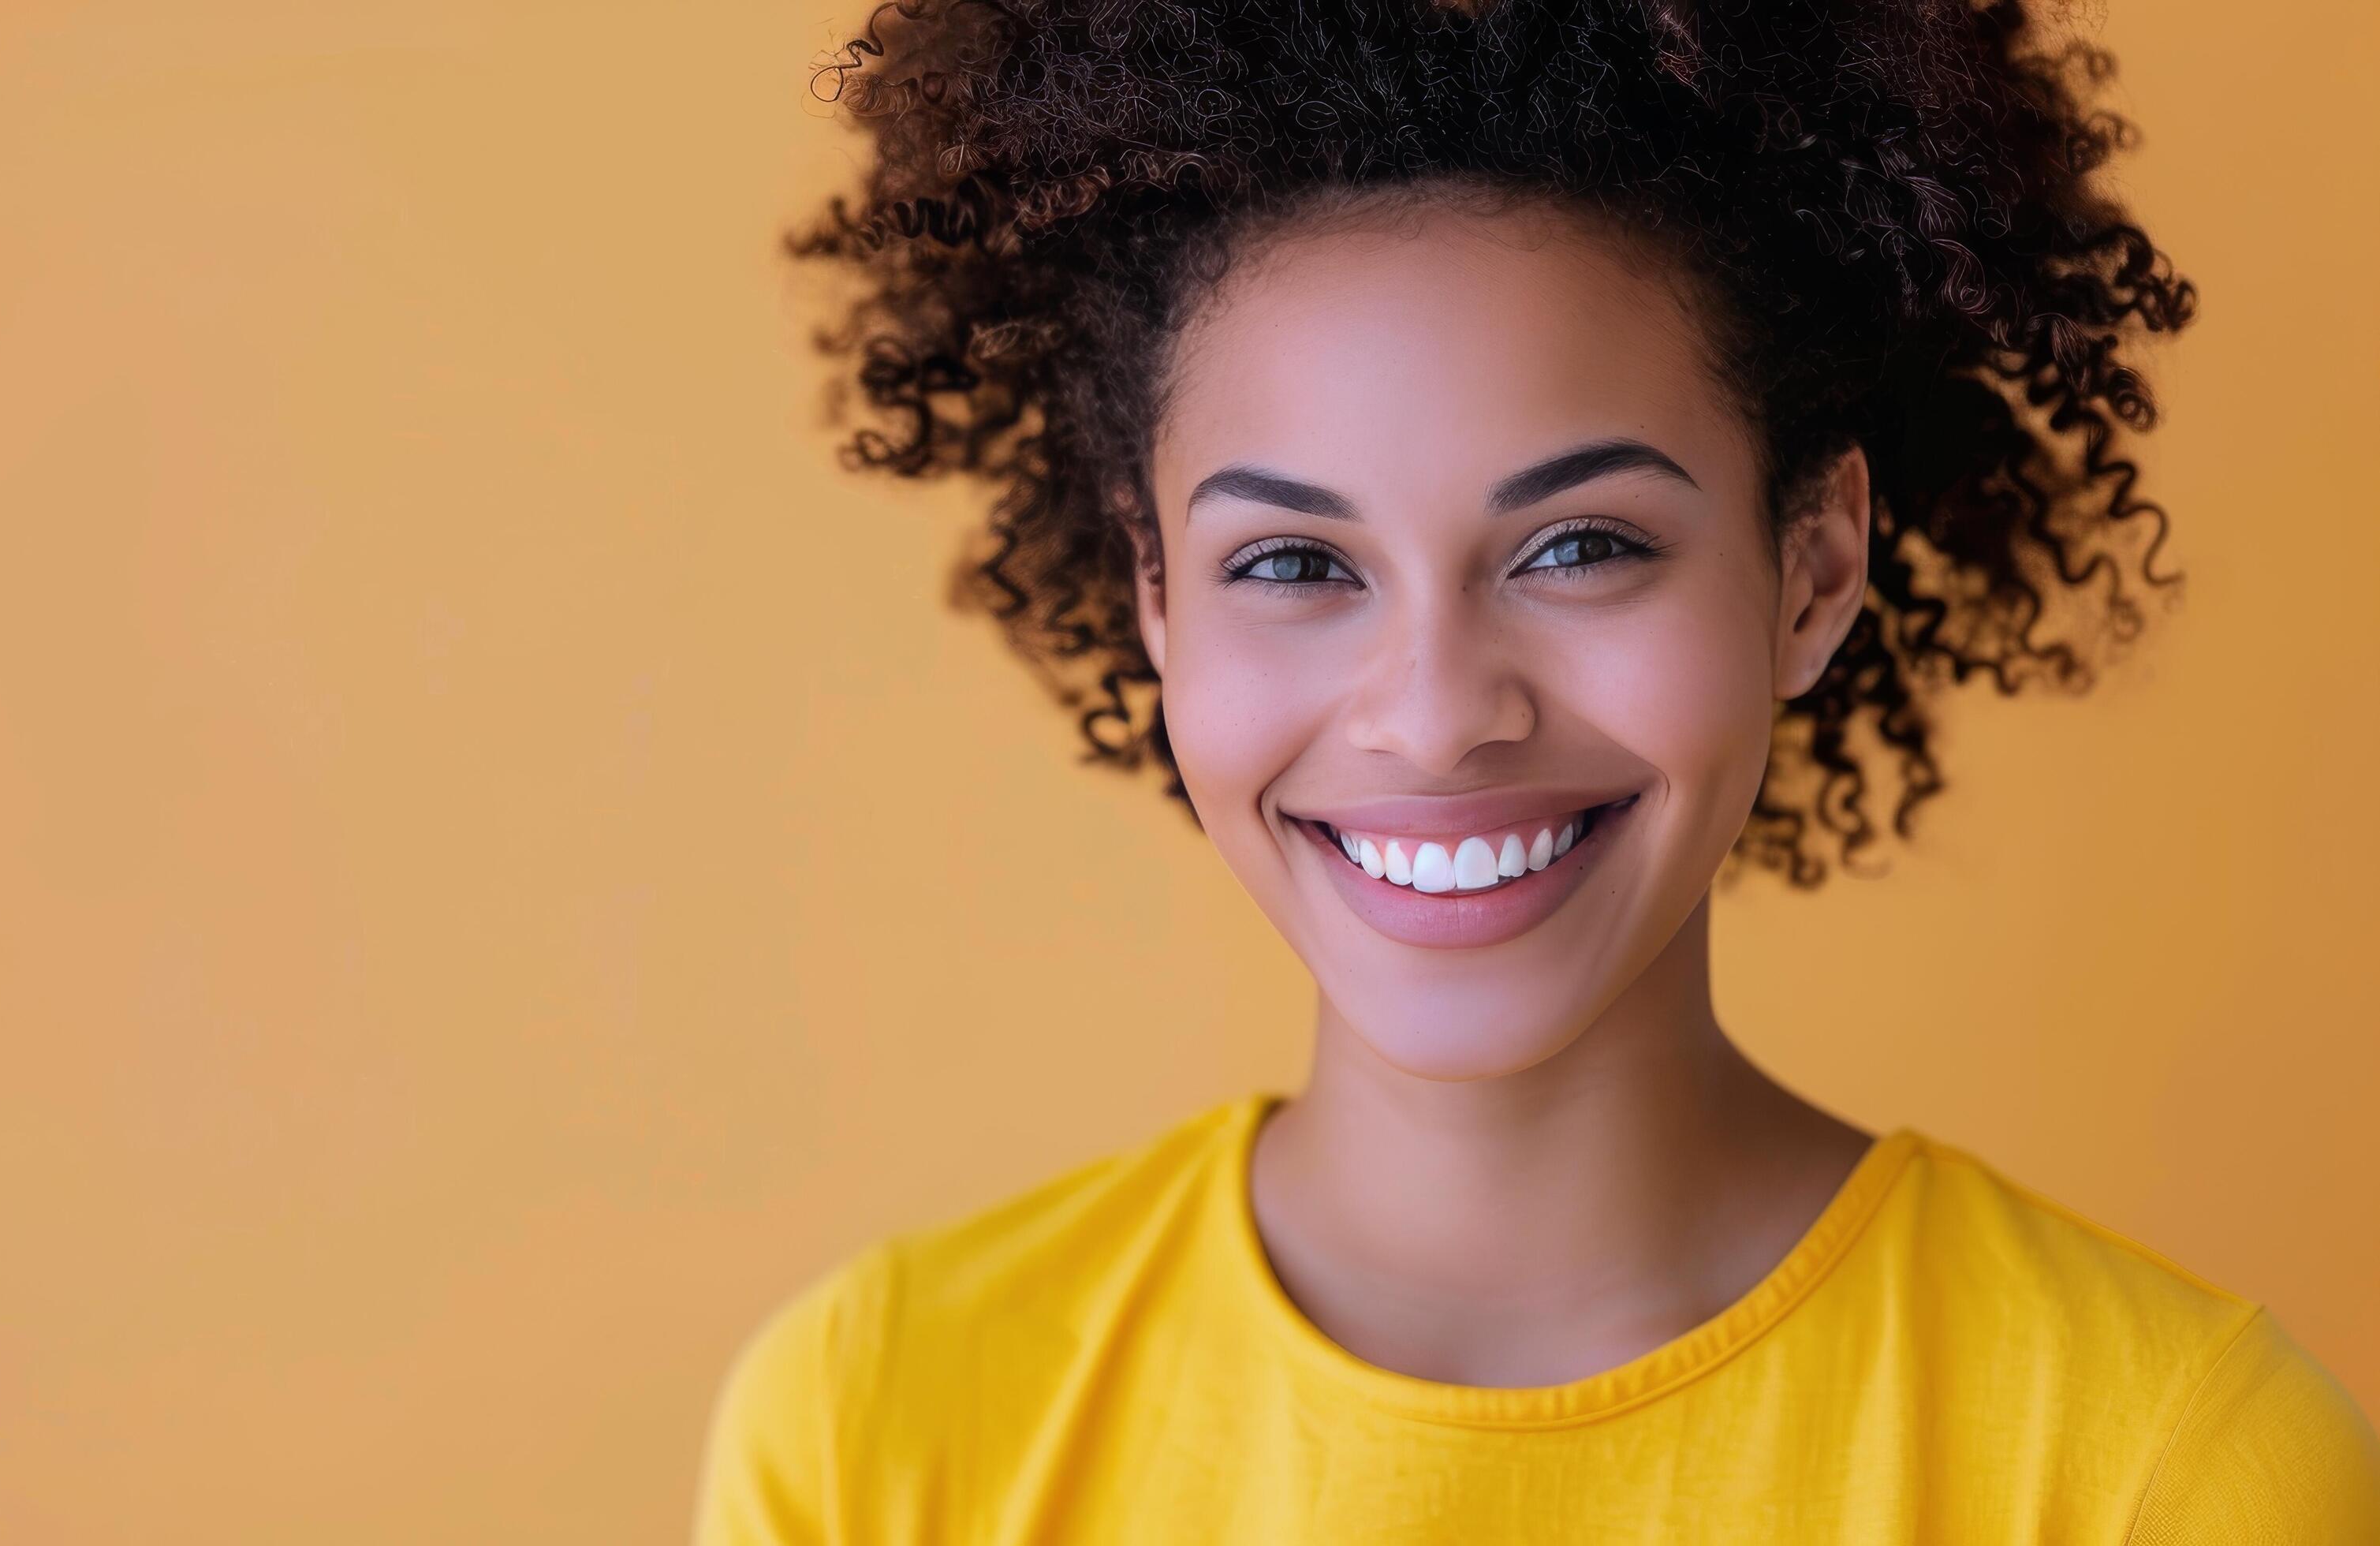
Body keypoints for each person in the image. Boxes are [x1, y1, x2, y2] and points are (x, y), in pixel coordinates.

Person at [696, 0, 2380, 1539]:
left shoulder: (2165, 1464)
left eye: (1578, 545)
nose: (1434, 715)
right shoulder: (876, 1427)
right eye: (1292, 562)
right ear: (1154, 593)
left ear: (1812, 567)